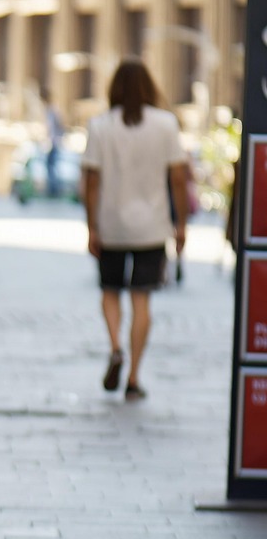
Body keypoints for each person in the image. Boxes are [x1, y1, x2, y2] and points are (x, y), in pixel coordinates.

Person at [82, 58, 187, 401]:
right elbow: (178, 178)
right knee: (142, 301)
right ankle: (134, 376)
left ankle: (115, 346)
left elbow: (92, 182)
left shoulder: (100, 126)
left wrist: (91, 226)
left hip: (111, 225)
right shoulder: (166, 124)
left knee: (110, 291)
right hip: (152, 227)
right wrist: (181, 224)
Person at [42, 87, 64, 199]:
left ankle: (54, 190)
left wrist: (56, 139)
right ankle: (52, 188)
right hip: (52, 141)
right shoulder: (49, 110)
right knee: (50, 165)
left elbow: (59, 126)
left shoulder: (53, 110)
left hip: (54, 142)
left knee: (51, 165)